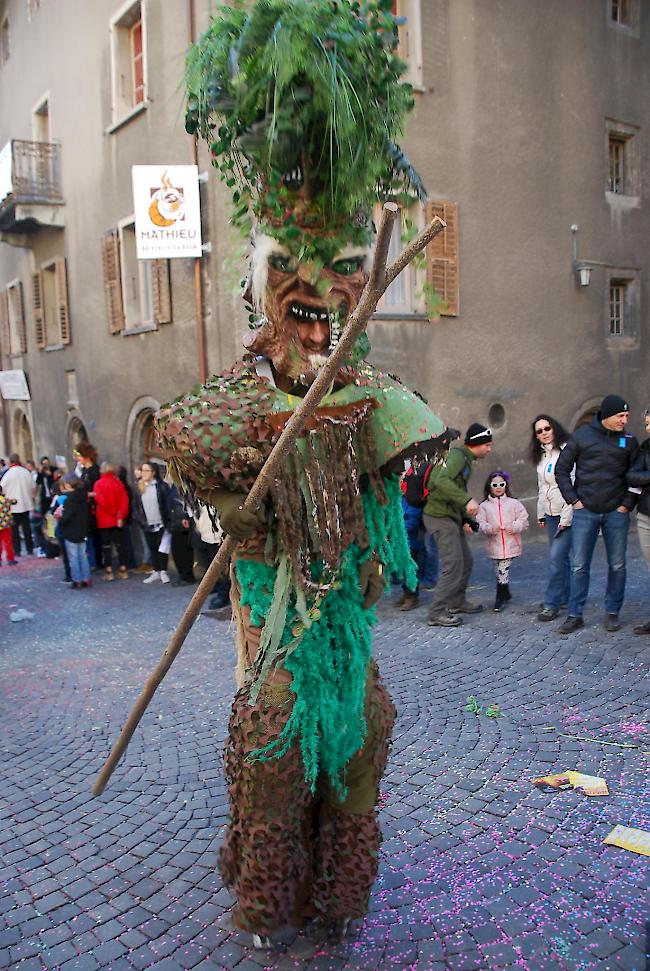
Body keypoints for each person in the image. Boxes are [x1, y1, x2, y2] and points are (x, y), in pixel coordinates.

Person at [156, 1, 447, 946]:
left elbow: (390, 490)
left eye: (334, 301)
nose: (317, 323)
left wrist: (371, 519)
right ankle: (267, 892)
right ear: (267, 295)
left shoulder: (367, 395)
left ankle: (339, 895)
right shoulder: (237, 398)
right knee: (279, 733)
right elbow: (195, 463)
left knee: (364, 728)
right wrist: (239, 510)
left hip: (346, 612)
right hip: (274, 614)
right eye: (299, 298)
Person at [555, 394, 639, 633]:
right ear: (607, 415)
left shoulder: (629, 441)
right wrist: (574, 501)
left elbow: (635, 476)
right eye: (620, 416)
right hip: (586, 511)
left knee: (618, 565)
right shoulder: (581, 437)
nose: (624, 421)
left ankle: (612, 612)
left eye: (627, 416)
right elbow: (561, 470)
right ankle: (575, 614)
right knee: (579, 565)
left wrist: (626, 505)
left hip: (616, 512)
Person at [423, 423, 493, 627]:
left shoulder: (465, 459)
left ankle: (456, 601)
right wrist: (466, 500)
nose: (489, 449)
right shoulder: (457, 457)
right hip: (439, 517)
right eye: (487, 445)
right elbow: (441, 481)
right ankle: (436, 612)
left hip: (451, 517)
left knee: (466, 561)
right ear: (476, 444)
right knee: (453, 564)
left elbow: (455, 486)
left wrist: (465, 518)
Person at [529, 415, 573, 621]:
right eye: (539, 431)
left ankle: (552, 602)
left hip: (565, 512)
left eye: (547, 428)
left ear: (554, 428)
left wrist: (567, 516)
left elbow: (573, 485)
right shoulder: (542, 456)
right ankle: (565, 596)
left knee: (556, 559)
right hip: (550, 512)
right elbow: (542, 486)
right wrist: (540, 512)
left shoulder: (566, 451)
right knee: (560, 558)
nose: (544, 433)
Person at [476, 470, 529, 611]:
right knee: (499, 569)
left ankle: (500, 596)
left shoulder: (514, 503)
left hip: (511, 543)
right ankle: (506, 592)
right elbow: (479, 522)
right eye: (495, 485)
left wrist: (516, 526)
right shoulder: (484, 506)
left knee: (502, 569)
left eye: (501, 484)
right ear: (489, 486)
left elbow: (523, 518)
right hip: (494, 544)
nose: (498, 487)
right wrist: (488, 528)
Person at [395, 454, 440, 611]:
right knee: (405, 565)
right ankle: (407, 593)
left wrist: (399, 530)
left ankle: (412, 596)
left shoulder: (413, 493)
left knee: (412, 565)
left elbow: (412, 516)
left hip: (412, 536)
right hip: (405, 533)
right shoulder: (401, 495)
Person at [626, 407, 650, 634]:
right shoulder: (645, 448)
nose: (648, 428)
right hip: (646, 517)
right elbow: (632, 475)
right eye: (646, 424)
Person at [132, 462, 171, 584]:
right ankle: (156, 570)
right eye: (142, 470)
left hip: (161, 523)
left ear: (153, 472)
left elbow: (166, 505)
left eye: (146, 471)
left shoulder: (161, 486)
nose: (143, 473)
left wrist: (168, 521)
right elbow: (136, 507)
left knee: (162, 548)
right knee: (152, 547)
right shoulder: (139, 487)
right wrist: (141, 521)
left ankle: (163, 571)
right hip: (146, 524)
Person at [94, 462, 130, 581]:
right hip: (117, 520)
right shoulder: (118, 483)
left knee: (106, 546)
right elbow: (125, 501)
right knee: (120, 546)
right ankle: (123, 569)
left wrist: (113, 511)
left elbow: (101, 501)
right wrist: (120, 515)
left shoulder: (98, 484)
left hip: (104, 519)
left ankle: (109, 571)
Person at [59, 473, 92, 588]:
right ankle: (86, 578)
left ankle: (77, 579)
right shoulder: (83, 497)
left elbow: (67, 517)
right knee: (83, 555)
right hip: (82, 530)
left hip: (72, 531)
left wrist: (60, 519)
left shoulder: (70, 500)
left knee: (74, 557)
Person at [1, 453, 35, 556]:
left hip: (13, 505)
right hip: (25, 503)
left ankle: (17, 550)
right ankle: (29, 548)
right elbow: (33, 486)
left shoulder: (8, 474)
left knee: (14, 530)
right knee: (27, 528)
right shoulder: (26, 472)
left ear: (10, 462)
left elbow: (2, 488)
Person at [75, 442, 102, 570]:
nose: (77, 458)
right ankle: (93, 560)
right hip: (86, 506)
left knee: (95, 535)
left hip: (94, 507)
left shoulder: (94, 471)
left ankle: (97, 561)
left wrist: (87, 494)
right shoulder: (84, 470)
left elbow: (98, 490)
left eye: (79, 455)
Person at [168, 483, 196, 584]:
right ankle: (183, 575)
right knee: (177, 550)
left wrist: (184, 517)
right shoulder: (172, 486)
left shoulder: (183, 485)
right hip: (175, 521)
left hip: (183, 522)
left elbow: (185, 502)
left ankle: (187, 576)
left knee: (184, 550)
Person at [0, 483, 18, 565]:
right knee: (8, 542)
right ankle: (10, 559)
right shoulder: (5, 501)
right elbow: (15, 501)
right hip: (6, 525)